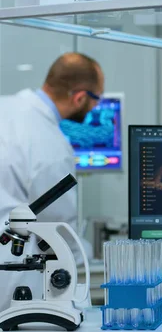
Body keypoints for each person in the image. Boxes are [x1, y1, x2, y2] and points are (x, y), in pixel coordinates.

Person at [0, 52, 104, 312]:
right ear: (80, 97)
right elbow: (58, 228)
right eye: (96, 100)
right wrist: (90, 256)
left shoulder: (5, 107)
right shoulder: (50, 143)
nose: (95, 108)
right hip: (14, 275)